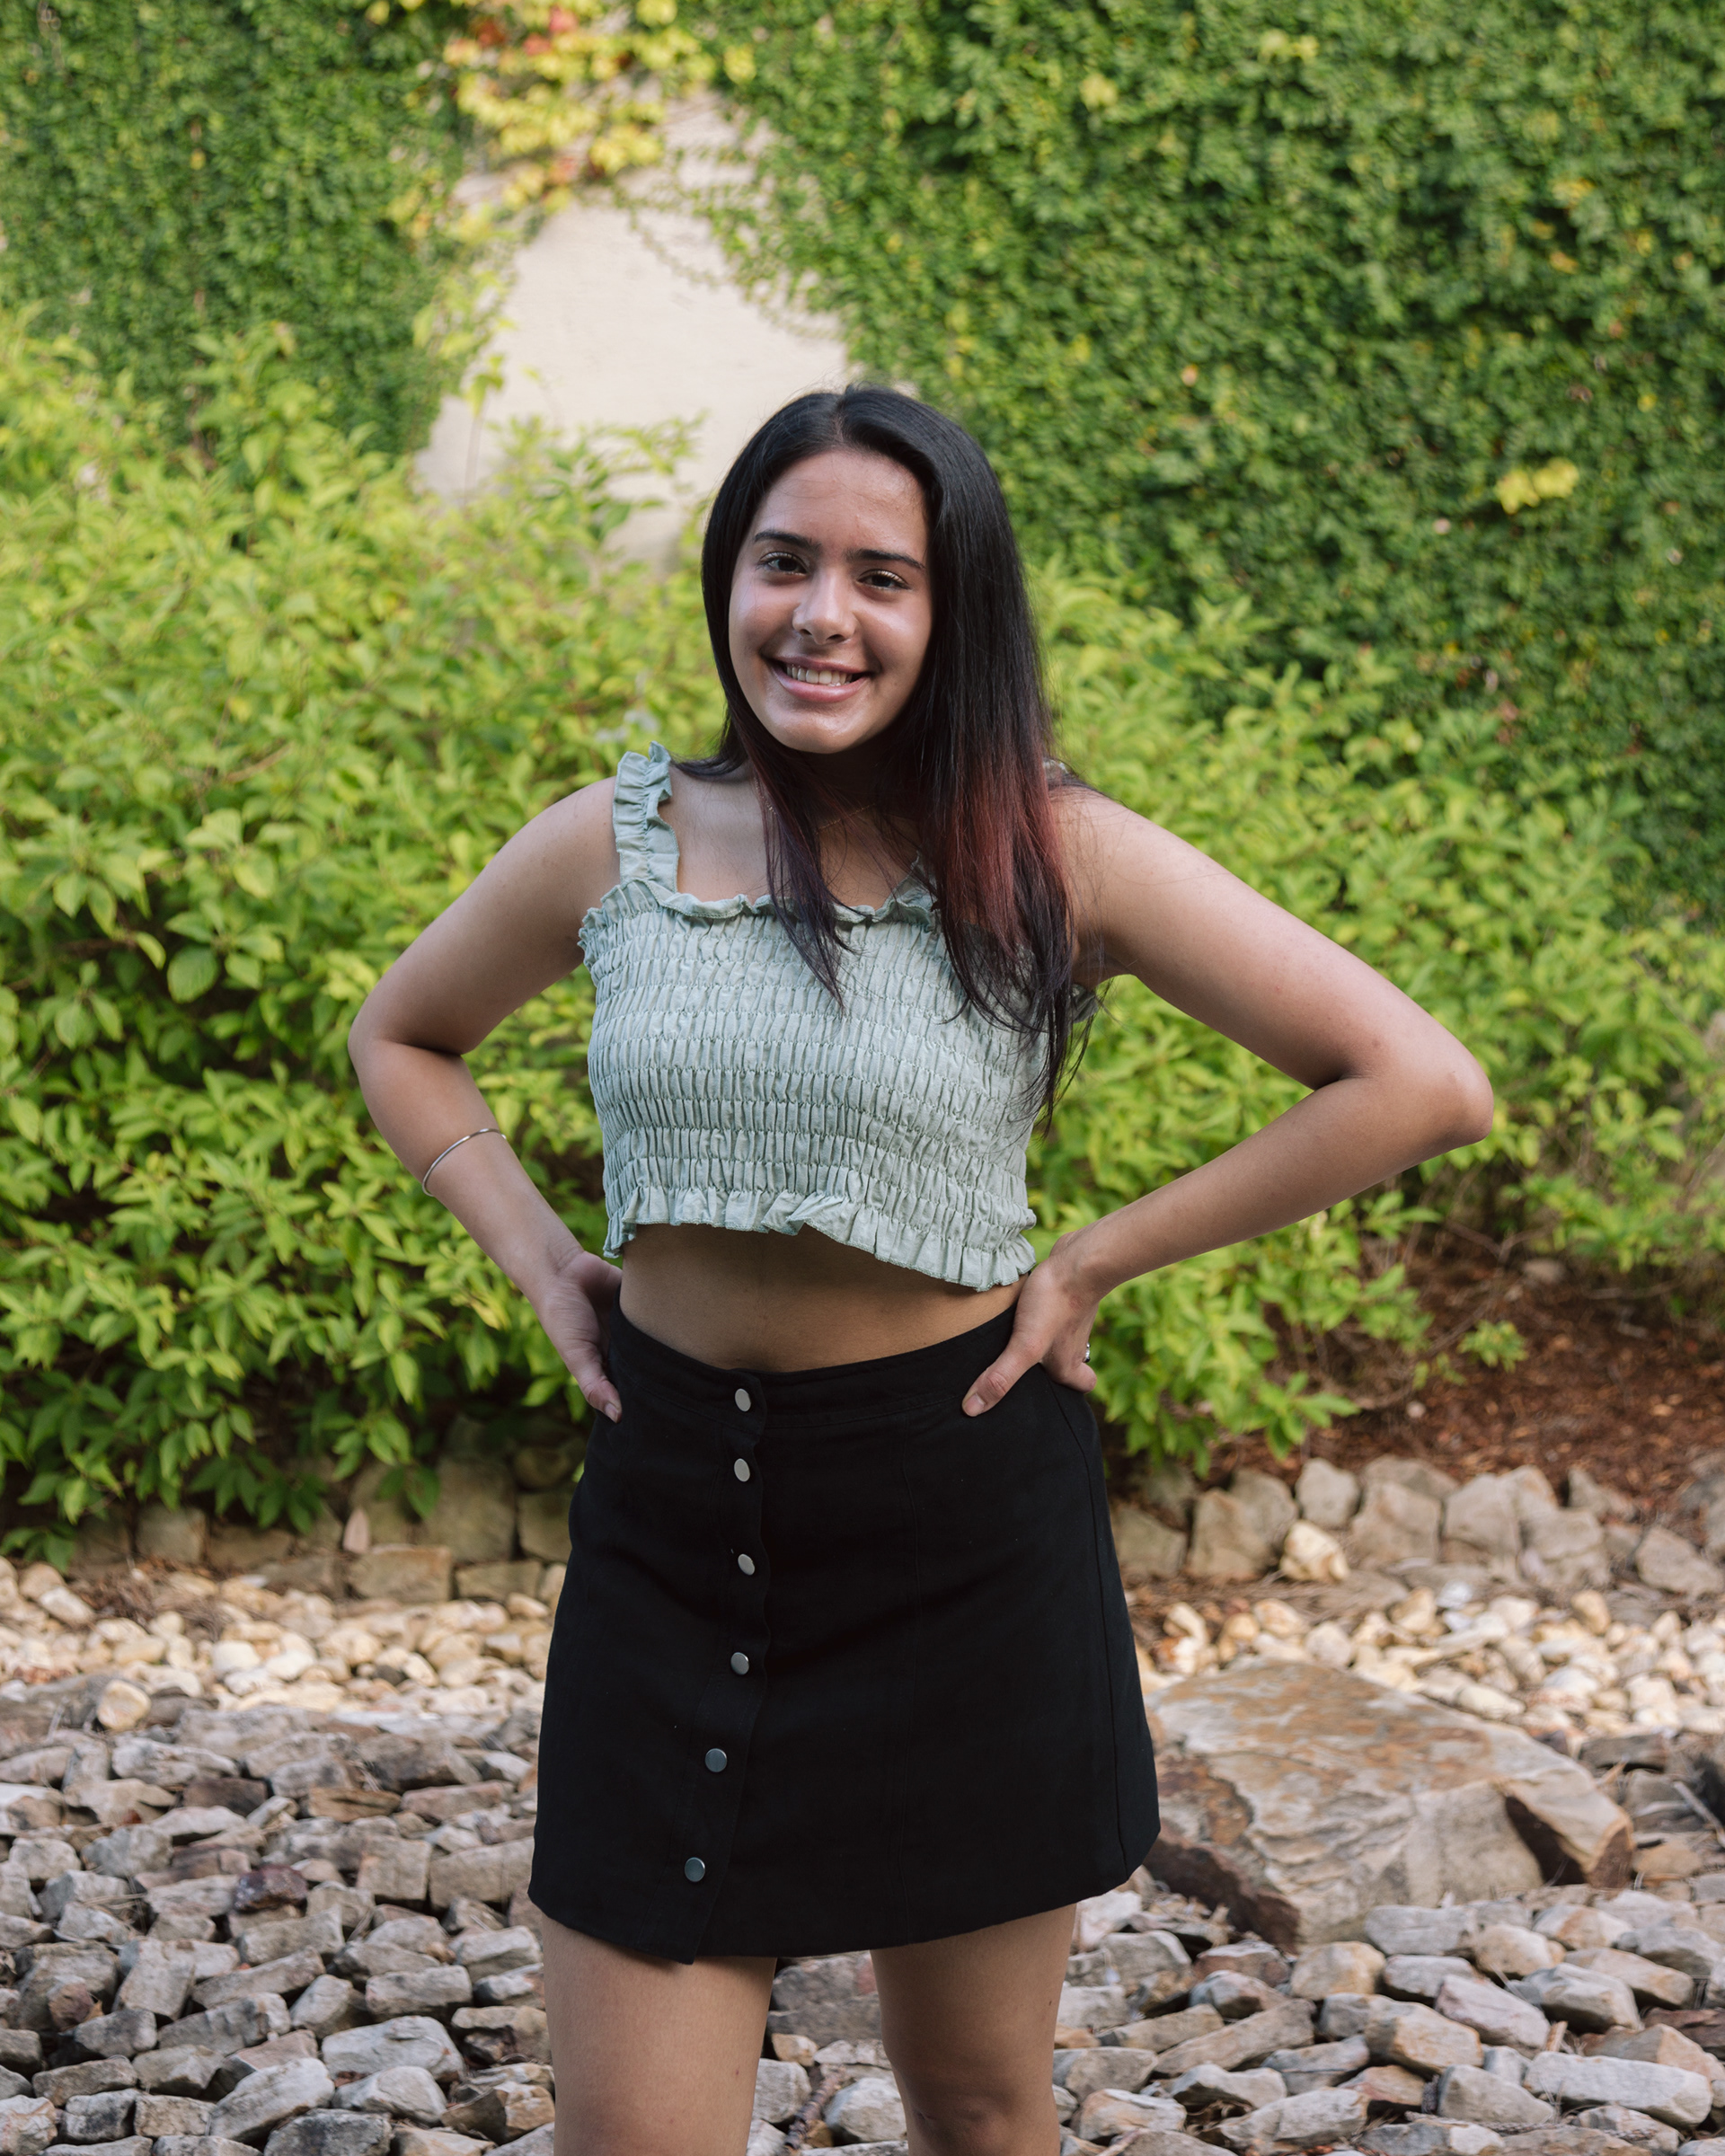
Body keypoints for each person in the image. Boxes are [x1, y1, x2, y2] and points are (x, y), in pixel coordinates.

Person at [348, 385, 1492, 2156]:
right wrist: (545, 1260)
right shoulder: (616, 840)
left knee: (973, 2107)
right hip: (670, 1529)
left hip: (959, 1537)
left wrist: (1095, 1258)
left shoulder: (1050, 850)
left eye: (882, 577)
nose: (822, 616)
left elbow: (1417, 1080)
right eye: (783, 562)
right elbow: (404, 1035)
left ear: (955, 612)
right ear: (728, 579)